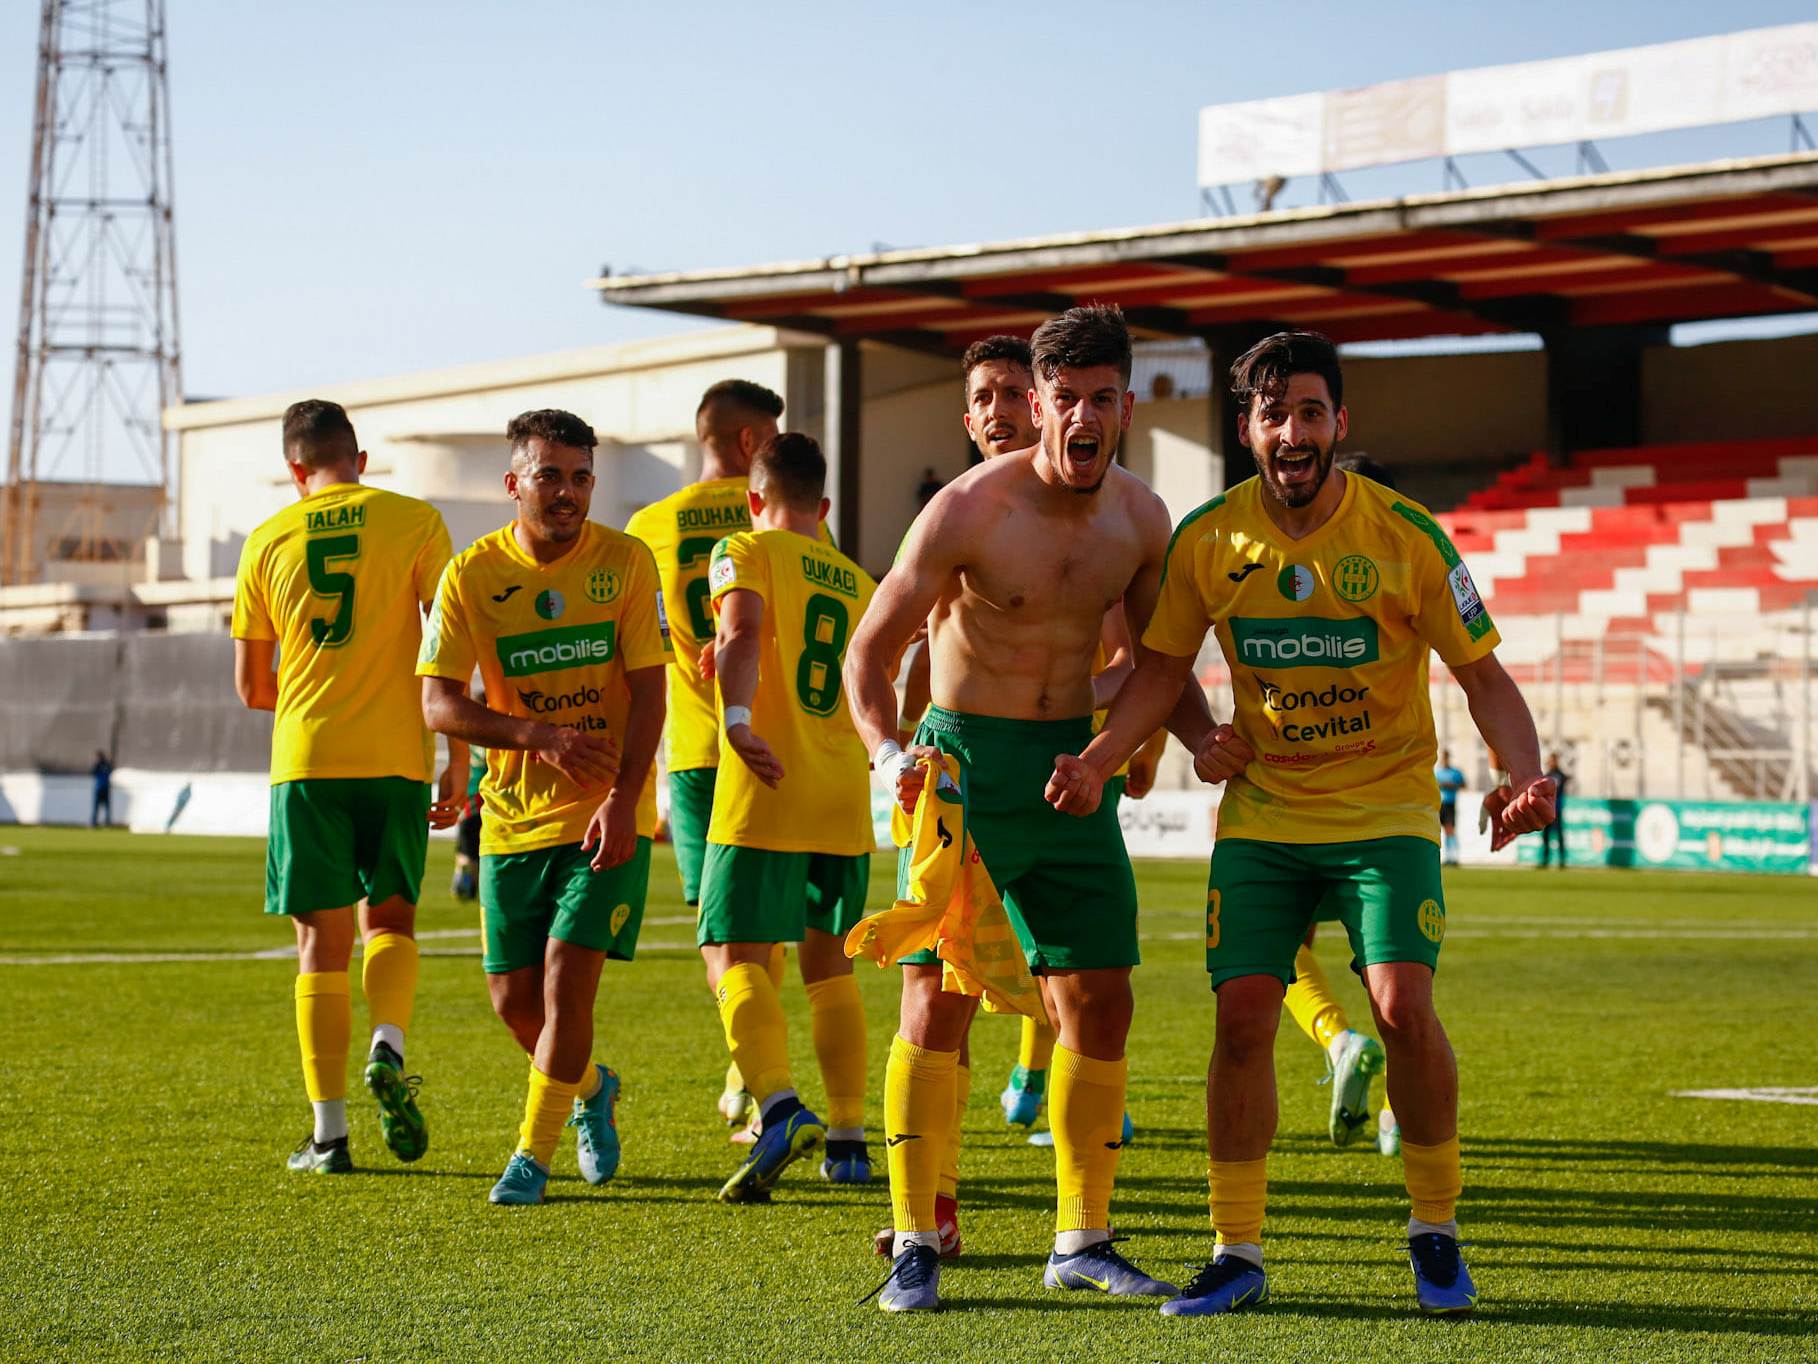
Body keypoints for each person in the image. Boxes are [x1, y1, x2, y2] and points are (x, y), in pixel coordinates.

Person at [1056, 330, 1556, 1317]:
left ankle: (1435, 1231)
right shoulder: (1209, 538)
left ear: (1340, 424)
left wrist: (1526, 775)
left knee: (1402, 1005)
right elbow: (1159, 671)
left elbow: (1484, 675)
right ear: (1247, 430)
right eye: (1275, 415)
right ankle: (1236, 1248)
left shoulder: (1406, 535)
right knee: (1242, 1016)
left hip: (1386, 810)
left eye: (1312, 413)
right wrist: (1101, 759)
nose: (1294, 431)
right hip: (1266, 815)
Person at [846, 305, 1190, 1312]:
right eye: (1065, 397)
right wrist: (885, 753)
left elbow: (1161, 661)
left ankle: (1082, 1235)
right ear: (1036, 403)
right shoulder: (966, 508)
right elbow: (871, 649)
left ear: (1126, 404)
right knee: (934, 1000)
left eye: (1103, 397)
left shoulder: (1143, 517)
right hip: (962, 777)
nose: (1083, 415)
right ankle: (917, 1235)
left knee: (1101, 996)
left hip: (1068, 771)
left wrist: (1110, 753)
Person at [419, 408, 670, 1206]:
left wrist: (625, 801)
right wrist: (536, 735)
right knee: (513, 1002)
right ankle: (592, 1087)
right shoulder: (470, 576)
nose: (567, 492)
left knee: (566, 983)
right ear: (514, 483)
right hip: (511, 818)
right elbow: (438, 703)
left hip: (606, 815)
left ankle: (531, 1155)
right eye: (550, 476)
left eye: (580, 477)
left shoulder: (626, 562)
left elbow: (650, 692)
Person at [231, 398, 459, 1175]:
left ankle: (329, 1137)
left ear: (297, 470)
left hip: (308, 761)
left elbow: (251, 688)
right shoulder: (414, 520)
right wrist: (456, 756)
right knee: (390, 918)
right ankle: (388, 1046)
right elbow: (449, 641)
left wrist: (312, 687)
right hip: (397, 754)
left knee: (317, 948)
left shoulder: (266, 539)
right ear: (359, 460)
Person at [699, 432, 878, 1202]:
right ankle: (847, 1138)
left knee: (729, 949)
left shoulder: (744, 546)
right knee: (829, 966)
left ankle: (776, 1104)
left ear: (753, 497)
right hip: (841, 792)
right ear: (824, 506)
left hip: (765, 782)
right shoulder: (857, 579)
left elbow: (742, 633)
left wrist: (736, 717)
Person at [626, 379, 802, 1136]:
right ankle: (751, 1076)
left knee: (719, 932)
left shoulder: (648, 525)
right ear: (744, 444)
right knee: (766, 927)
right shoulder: (780, 517)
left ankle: (767, 1087)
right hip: (779, 745)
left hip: (699, 750)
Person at [1435, 749, 1465, 866]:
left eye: (1446, 757)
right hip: (1439, 804)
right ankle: (1446, 857)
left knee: (1450, 831)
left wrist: (1452, 785)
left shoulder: (1455, 772)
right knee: (1439, 831)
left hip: (1450, 804)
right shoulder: (1437, 772)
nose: (1445, 759)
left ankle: (1454, 857)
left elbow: (1463, 784)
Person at [1540, 751, 1569, 867]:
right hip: (1547, 810)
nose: (1551, 762)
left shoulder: (1560, 775)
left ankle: (1562, 860)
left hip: (1557, 809)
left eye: (1553, 760)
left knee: (1559, 835)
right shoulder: (1546, 775)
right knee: (1546, 836)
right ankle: (1545, 859)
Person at [90, 750, 113, 828]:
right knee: (106, 807)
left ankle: (95, 823)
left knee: (97, 807)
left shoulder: (98, 765)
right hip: (105, 787)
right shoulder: (107, 764)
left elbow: (92, 772)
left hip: (100, 788)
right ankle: (106, 823)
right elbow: (110, 771)